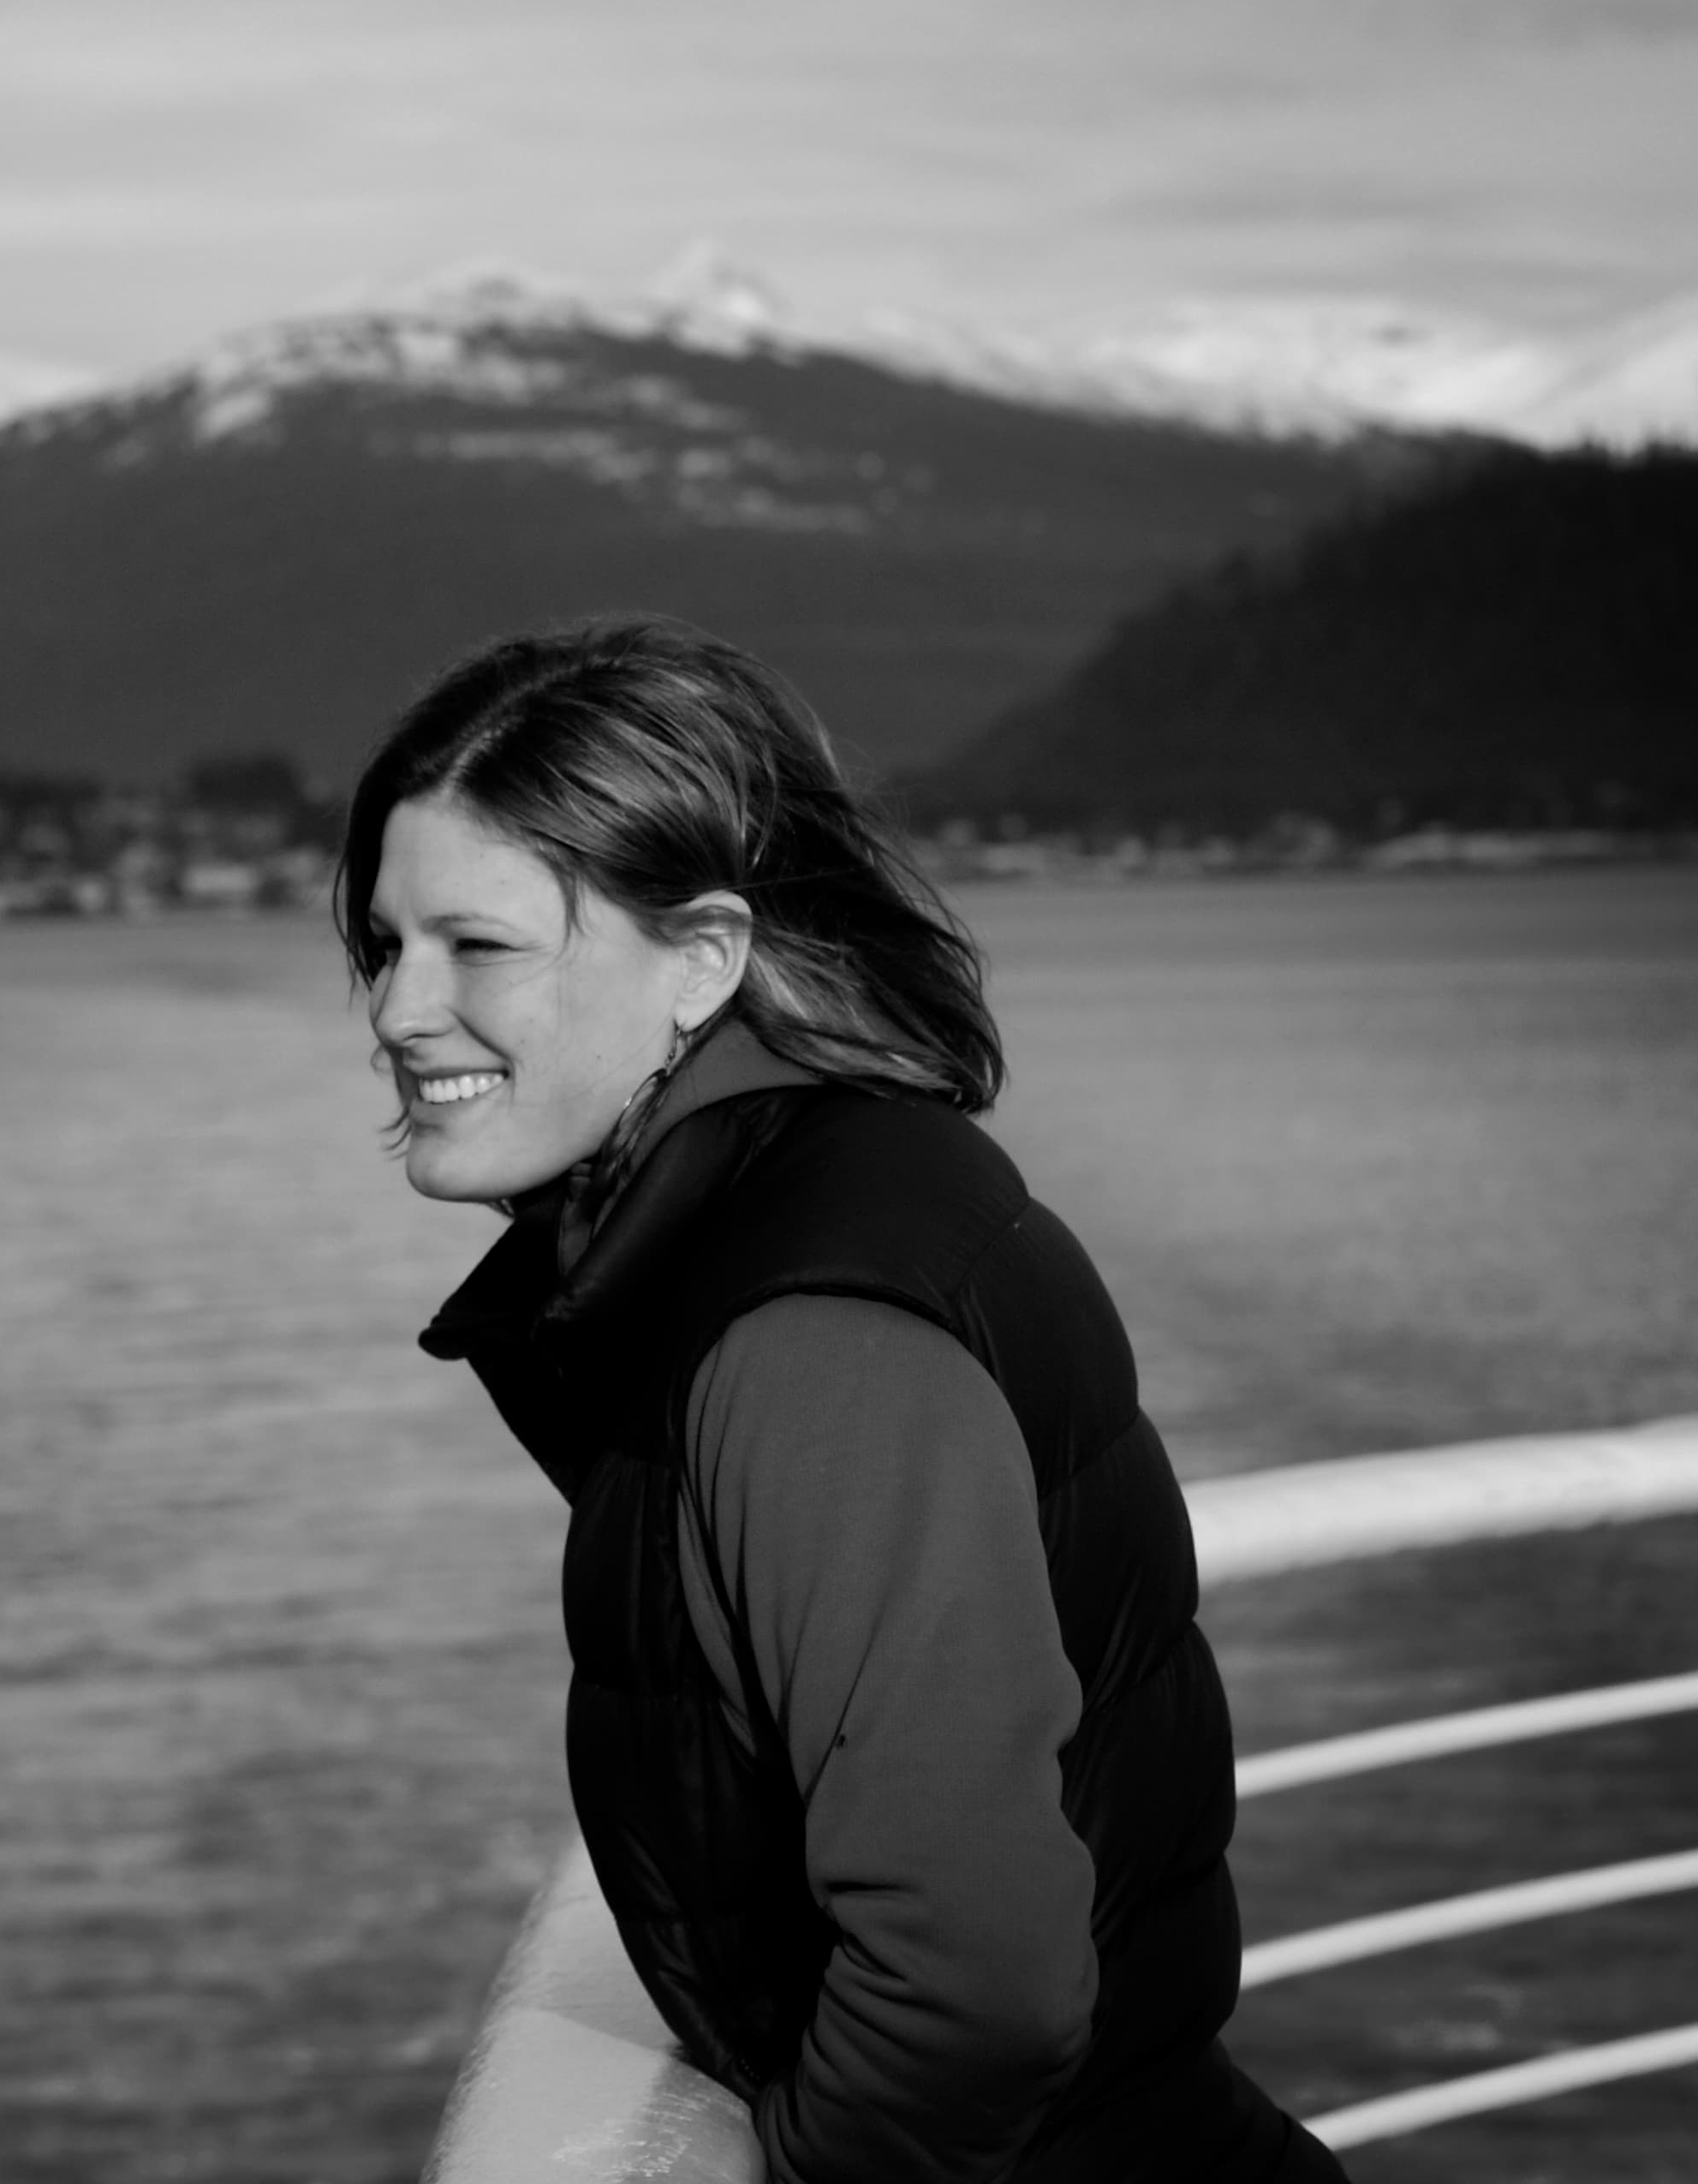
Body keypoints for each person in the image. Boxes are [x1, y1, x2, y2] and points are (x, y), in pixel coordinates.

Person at [340, 617, 1344, 2183]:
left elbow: (978, 1989)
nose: (401, 1010)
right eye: (386, 944)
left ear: (702, 958)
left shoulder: (807, 1339)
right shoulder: (836, 1181)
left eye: (479, 947)